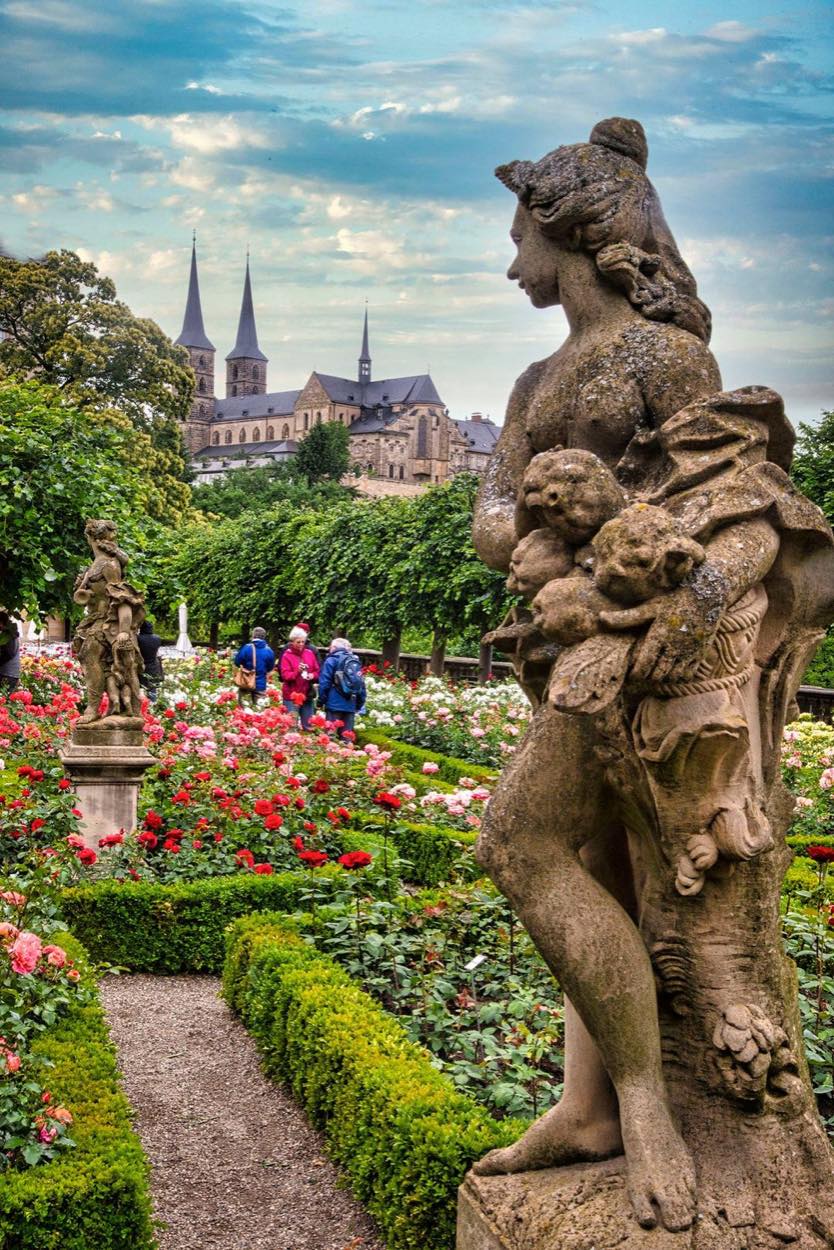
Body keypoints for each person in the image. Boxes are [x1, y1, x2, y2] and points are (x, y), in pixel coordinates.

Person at [467, 117, 834, 1233]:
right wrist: (524, 531)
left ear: (567, 228)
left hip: (645, 658)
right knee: (590, 860)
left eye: (519, 229)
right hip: (567, 649)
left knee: (519, 841)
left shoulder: (665, 357)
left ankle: (644, 1103)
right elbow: (488, 504)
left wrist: (594, 544)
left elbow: (729, 506)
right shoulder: (539, 377)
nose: (510, 255)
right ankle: (591, 1106)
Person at [317, 637, 366, 738]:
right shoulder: (354, 660)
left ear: (334, 647)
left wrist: (321, 701)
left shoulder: (331, 660)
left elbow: (324, 683)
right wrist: (359, 704)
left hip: (334, 704)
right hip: (351, 704)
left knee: (329, 737)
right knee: (347, 737)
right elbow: (361, 684)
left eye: (330, 647)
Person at [279, 625, 320, 729]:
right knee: (291, 725)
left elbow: (317, 671)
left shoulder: (310, 653)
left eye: (303, 641)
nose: (301, 644)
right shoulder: (286, 655)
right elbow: (285, 676)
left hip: (307, 693)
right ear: (292, 642)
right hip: (291, 695)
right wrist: (298, 671)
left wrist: (312, 675)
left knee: (309, 725)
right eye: (298, 642)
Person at [233, 626, 275, 708]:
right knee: (260, 710)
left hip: (246, 682)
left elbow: (237, 662)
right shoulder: (269, 651)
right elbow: (270, 668)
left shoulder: (246, 648)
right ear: (264, 637)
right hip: (260, 684)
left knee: (244, 710)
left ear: (253, 635)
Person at [137, 620, 164, 703]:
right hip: (153, 666)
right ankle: (152, 706)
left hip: (141, 666)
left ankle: (142, 708)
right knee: (152, 689)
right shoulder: (157, 638)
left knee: (140, 688)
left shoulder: (138, 638)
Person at [0, 612, 21, 696]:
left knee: (4, 700)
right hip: (8, 673)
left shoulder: (9, 635)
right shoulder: (8, 634)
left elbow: (8, 654)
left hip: (8, 674)